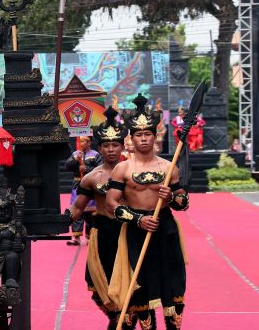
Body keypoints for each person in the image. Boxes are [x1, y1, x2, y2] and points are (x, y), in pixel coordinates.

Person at [106, 94, 189, 330]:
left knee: (173, 280)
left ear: (155, 136)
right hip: (136, 230)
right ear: (131, 139)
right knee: (140, 282)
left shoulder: (167, 167)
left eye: (148, 134)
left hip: (166, 228)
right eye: (139, 135)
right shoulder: (123, 168)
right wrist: (138, 219)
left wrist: (172, 197)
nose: (143, 138)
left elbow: (183, 203)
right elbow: (112, 203)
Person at [68, 107, 136, 329]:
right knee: (98, 286)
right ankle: (117, 318)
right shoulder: (91, 177)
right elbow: (77, 208)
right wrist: (58, 220)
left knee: (133, 285)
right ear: (100, 149)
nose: (111, 149)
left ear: (122, 146)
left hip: (131, 233)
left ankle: (123, 320)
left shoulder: (135, 172)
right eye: (106, 145)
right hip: (103, 235)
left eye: (115, 145)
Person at [65, 136, 102, 245]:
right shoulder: (76, 154)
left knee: (90, 212)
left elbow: (100, 169)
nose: (81, 143)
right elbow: (67, 166)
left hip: (90, 185)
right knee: (76, 211)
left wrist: (87, 169)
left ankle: (90, 237)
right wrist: (75, 160)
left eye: (83, 141)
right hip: (77, 184)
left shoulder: (95, 154)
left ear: (89, 142)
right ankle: (76, 237)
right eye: (79, 141)